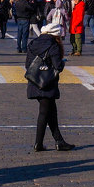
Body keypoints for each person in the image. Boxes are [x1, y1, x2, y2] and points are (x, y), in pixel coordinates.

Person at [25, 18, 75, 152]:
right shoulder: (53, 45)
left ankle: (59, 141)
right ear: (56, 35)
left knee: (51, 112)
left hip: (35, 81)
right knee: (44, 113)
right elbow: (58, 66)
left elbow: (27, 65)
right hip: (47, 83)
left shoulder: (33, 43)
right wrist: (63, 61)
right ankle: (38, 144)